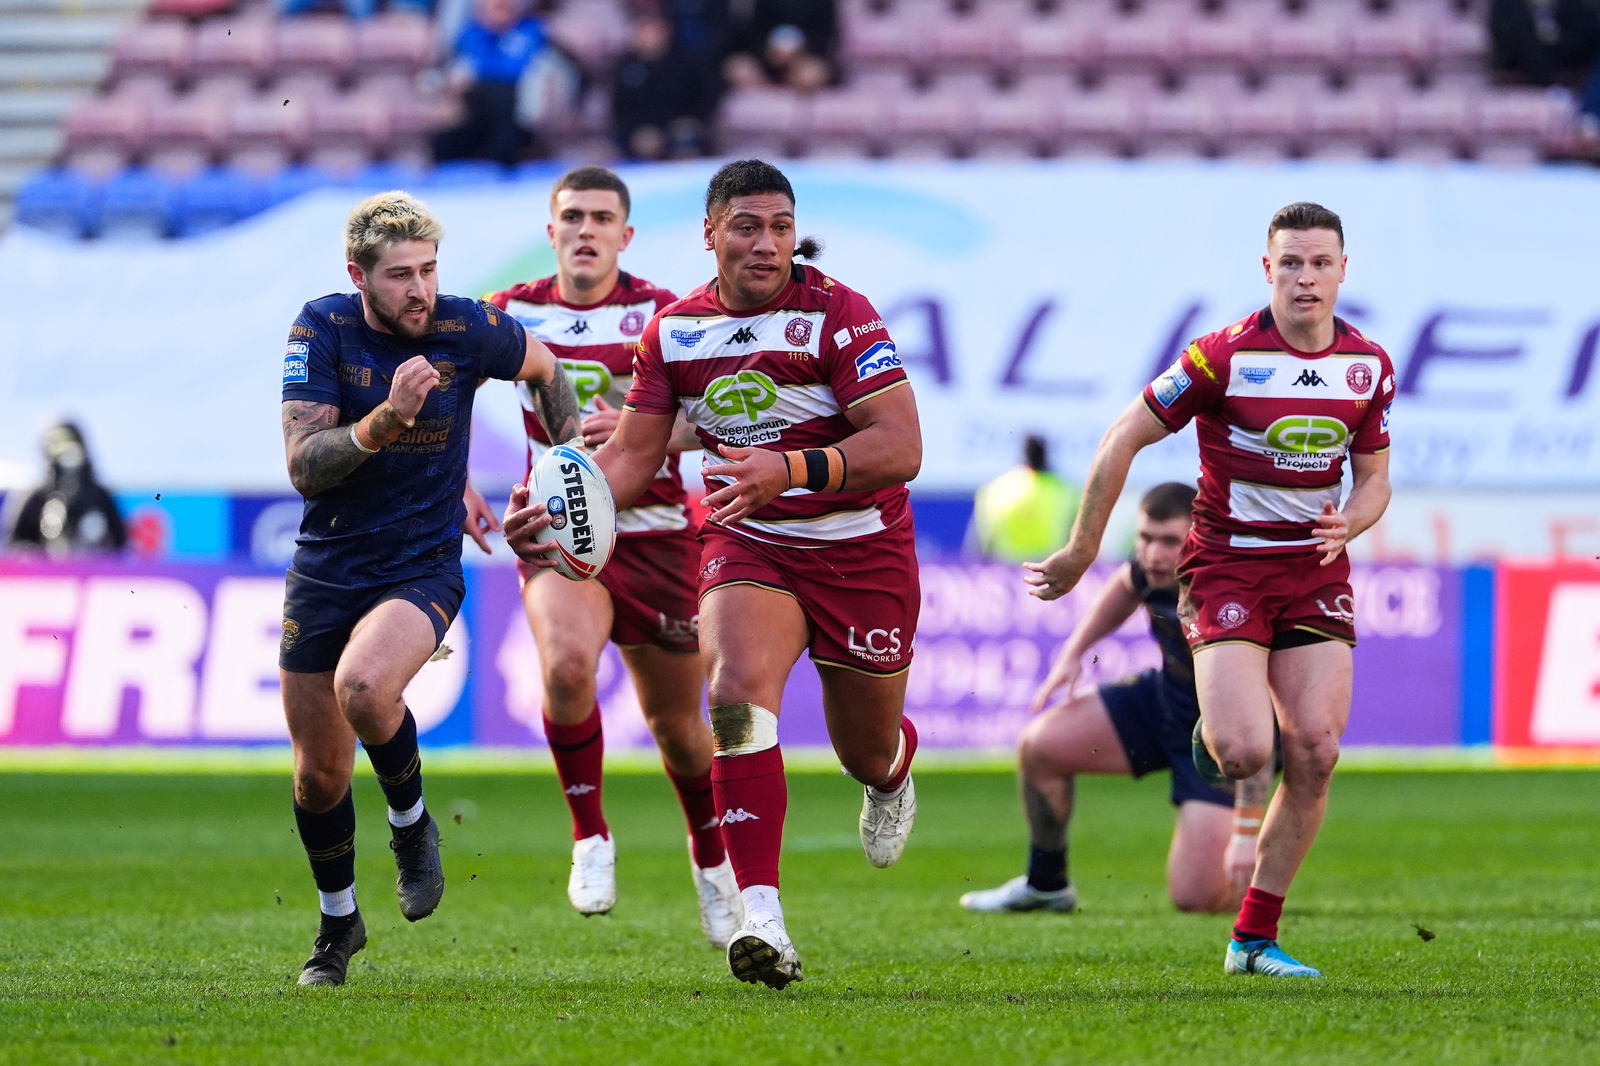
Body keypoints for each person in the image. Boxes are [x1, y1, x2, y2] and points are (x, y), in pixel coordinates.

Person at [502, 158, 924, 990]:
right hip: (750, 541)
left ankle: (892, 771)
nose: (767, 244)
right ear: (710, 235)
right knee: (731, 698)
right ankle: (759, 916)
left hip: (859, 547)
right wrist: (564, 509)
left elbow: (901, 446)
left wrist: (791, 468)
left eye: (780, 227)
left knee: (865, 749)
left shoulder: (840, 314)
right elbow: (631, 452)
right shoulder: (676, 331)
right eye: (747, 227)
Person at [1023, 202, 1393, 979]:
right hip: (1226, 566)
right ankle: (1220, 733)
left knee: (1317, 752)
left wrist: (1349, 525)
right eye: (1290, 263)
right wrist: (1083, 548)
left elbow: (1375, 481)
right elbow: (1124, 435)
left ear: (1343, 270)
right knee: (1245, 749)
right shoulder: (1220, 357)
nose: (1305, 277)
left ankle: (1253, 938)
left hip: (1314, 570)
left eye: (1320, 263)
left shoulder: (1369, 367)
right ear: (1268, 270)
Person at [278, 190, 580, 986]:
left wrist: (569, 471)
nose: (420, 289)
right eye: (401, 275)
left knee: (368, 688)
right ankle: (339, 926)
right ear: (360, 277)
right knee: (317, 775)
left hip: (420, 563)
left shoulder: (467, 326)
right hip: (327, 565)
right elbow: (305, 465)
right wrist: (386, 419)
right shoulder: (322, 328)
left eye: (429, 270)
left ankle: (411, 827)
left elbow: (547, 372)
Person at [469, 165, 739, 947]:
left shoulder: (665, 314)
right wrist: (453, 476)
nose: (586, 230)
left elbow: (713, 420)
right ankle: (590, 834)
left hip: (658, 534)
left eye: (601, 219)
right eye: (572, 217)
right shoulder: (510, 312)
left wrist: (638, 429)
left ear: (626, 235)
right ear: (551, 231)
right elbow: (442, 390)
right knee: (564, 668)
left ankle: (712, 857)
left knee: (681, 728)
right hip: (558, 530)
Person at [960, 482, 1273, 917]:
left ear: (1197, 538)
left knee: (1196, 898)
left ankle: (1268, 879)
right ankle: (1046, 885)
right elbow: (1128, 584)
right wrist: (1073, 653)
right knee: (1040, 746)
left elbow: (1263, 719)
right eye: (1145, 538)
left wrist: (1246, 827)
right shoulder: (1152, 568)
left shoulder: (1227, 590)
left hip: (1219, 735)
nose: (1153, 553)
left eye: (1169, 542)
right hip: (1164, 701)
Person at [431, 0, 549, 165]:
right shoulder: (470, 32)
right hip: (475, 101)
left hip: (515, 101)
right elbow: (463, 66)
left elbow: (522, 66)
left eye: (504, 6)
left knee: (508, 109)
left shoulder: (532, 30)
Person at [4, 420, 126, 557]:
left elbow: (120, 547)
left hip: (94, 575)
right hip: (47, 577)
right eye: (61, 453)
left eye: (73, 451)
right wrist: (39, 556)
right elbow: (14, 547)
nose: (69, 460)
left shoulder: (100, 497)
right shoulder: (35, 499)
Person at [964, 433, 1080, 564]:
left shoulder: (996, 489)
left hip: (1006, 572)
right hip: (1049, 571)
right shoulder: (1067, 490)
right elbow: (1078, 536)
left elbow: (981, 545)